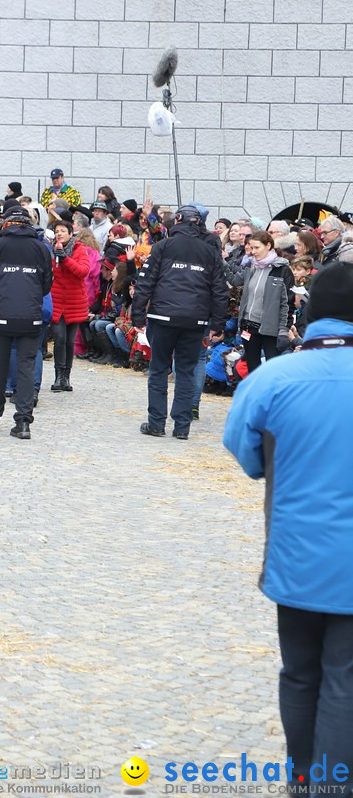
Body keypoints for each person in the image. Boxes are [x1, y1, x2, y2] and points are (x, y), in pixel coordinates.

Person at [223, 264, 353, 794]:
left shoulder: (272, 379)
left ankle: (304, 781)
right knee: (345, 681)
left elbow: (246, 454)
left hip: (295, 554)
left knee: (299, 672)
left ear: (308, 311)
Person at [131, 204, 228, 440]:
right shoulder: (209, 251)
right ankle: (182, 427)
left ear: (177, 221)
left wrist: (138, 317)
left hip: (163, 317)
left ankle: (156, 423)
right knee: (185, 371)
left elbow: (145, 282)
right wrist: (217, 323)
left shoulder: (163, 247)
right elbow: (220, 291)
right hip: (195, 320)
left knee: (159, 370)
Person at [0, 207, 52, 439]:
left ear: (6, 223)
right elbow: (47, 284)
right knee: (26, 368)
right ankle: (23, 423)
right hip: (30, 316)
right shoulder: (41, 248)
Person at [236, 230, 293, 372]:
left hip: (270, 328)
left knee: (272, 368)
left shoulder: (282, 270)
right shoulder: (251, 267)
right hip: (249, 325)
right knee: (252, 367)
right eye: (251, 248)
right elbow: (235, 280)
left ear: (268, 246)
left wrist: (284, 330)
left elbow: (287, 304)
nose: (253, 252)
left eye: (257, 248)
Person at [50, 220, 91, 391]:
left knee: (69, 341)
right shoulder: (51, 250)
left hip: (75, 301)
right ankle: (58, 375)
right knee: (59, 338)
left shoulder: (79, 249)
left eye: (62, 231)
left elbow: (82, 271)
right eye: (57, 231)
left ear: (70, 233)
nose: (59, 234)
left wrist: (65, 258)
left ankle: (66, 376)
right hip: (57, 300)